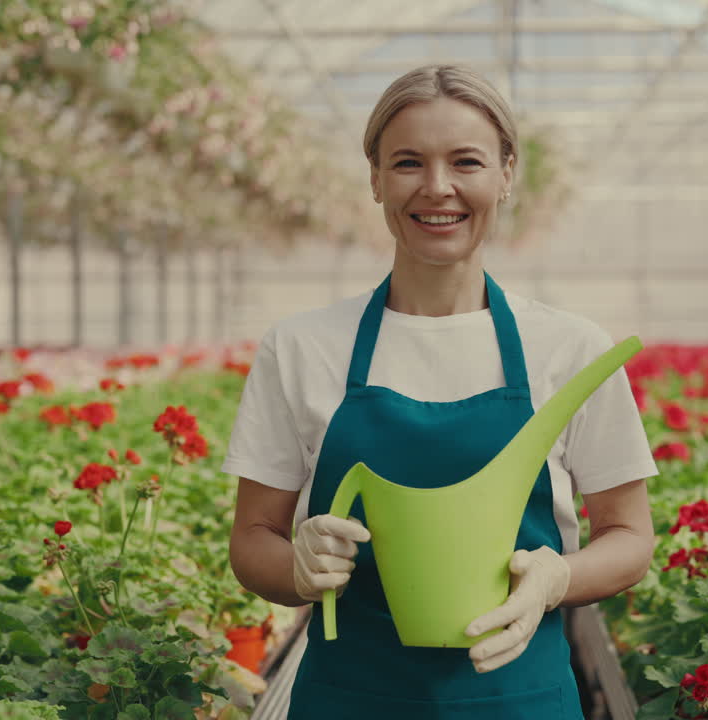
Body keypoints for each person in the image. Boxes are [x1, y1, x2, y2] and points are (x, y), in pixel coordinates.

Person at [223, 64, 659, 720]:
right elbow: (252, 537)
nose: (438, 188)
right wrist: (296, 568)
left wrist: (558, 578)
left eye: (467, 162)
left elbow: (630, 535)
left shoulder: (571, 349)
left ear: (507, 174)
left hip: (521, 701)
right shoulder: (302, 347)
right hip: (348, 702)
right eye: (407, 163)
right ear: (374, 178)